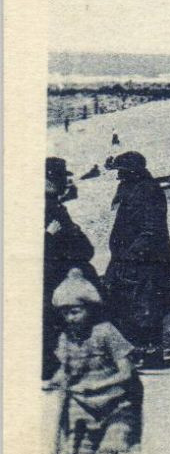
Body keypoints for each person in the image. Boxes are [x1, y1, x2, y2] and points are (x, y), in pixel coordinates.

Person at [45, 268, 141, 454]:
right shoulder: (65, 338)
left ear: (89, 309)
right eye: (65, 313)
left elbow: (126, 373)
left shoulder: (106, 332)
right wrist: (55, 381)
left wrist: (99, 384)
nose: (71, 318)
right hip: (82, 407)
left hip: (116, 406)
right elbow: (67, 370)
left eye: (75, 312)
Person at [102, 152, 170, 368]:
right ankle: (140, 354)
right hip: (128, 261)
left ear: (133, 173)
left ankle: (151, 355)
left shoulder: (148, 191)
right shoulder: (132, 189)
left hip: (145, 264)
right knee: (130, 308)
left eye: (122, 173)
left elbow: (151, 230)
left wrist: (130, 256)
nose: (119, 177)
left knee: (147, 310)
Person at [45, 160, 97, 380]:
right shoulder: (48, 207)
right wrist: (47, 236)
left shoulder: (54, 205)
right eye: (59, 177)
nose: (65, 182)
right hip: (53, 275)